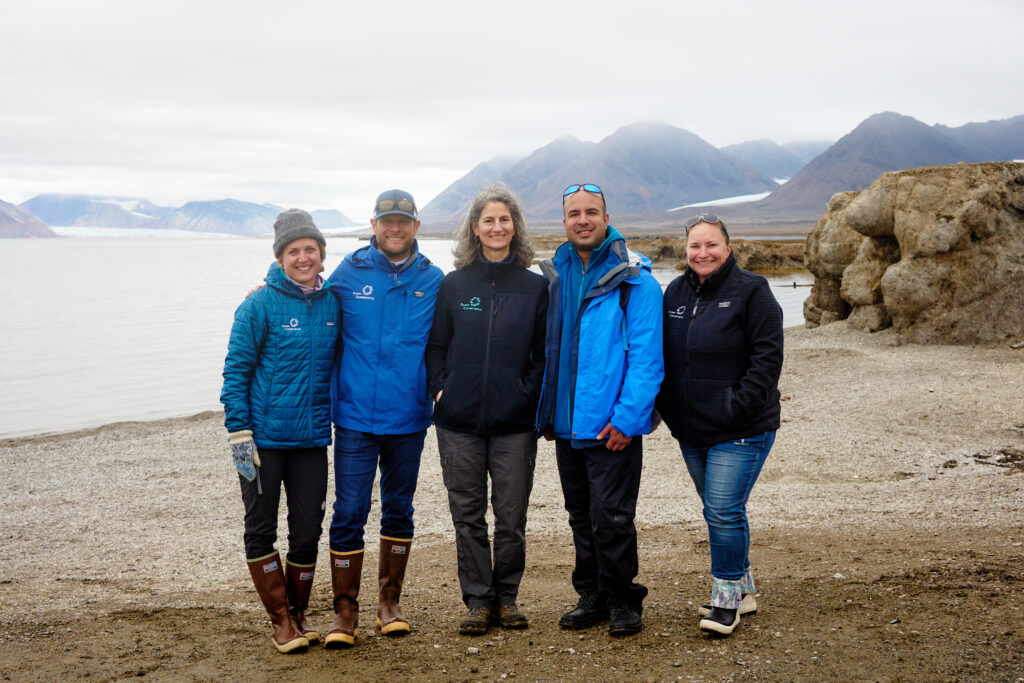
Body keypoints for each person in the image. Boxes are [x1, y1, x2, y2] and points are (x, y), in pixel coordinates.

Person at [535, 183, 664, 637]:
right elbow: (551, 350)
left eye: (592, 212)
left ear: (606, 219)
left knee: (612, 517)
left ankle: (623, 597)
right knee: (580, 515)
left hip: (611, 425)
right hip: (567, 425)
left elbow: (647, 360)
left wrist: (628, 420)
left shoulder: (636, 282)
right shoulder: (556, 277)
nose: (583, 220)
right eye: (574, 213)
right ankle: (590, 593)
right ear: (564, 221)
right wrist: (548, 413)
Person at [323, 189, 443, 649]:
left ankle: (389, 603)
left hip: (409, 417)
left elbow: (452, 339)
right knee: (349, 512)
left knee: (399, 509)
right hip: (354, 417)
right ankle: (345, 610)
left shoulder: (433, 280)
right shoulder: (348, 273)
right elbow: (309, 303)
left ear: (416, 226)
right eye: (386, 221)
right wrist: (266, 287)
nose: (394, 228)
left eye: (403, 221)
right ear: (373, 225)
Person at [425, 187, 548, 636]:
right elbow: (436, 347)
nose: (497, 228)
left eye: (505, 220)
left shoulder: (535, 287)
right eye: (488, 221)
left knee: (511, 517)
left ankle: (508, 598)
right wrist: (441, 390)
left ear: (515, 227)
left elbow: (542, 354)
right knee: (468, 516)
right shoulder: (454, 285)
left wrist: (525, 394)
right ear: (474, 229)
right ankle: (478, 600)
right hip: (457, 423)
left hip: (514, 424)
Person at [655, 213, 783, 636]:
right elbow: (662, 356)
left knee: (723, 511)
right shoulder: (674, 292)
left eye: (711, 245)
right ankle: (744, 589)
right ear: (685, 250)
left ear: (728, 248)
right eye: (695, 246)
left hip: (741, 427)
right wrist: (665, 407)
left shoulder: (753, 292)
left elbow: (767, 360)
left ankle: (726, 600)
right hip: (691, 430)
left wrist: (736, 407)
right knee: (721, 511)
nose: (703, 253)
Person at [220, 209, 340, 654]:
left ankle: (299, 611)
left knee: (308, 528)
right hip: (255, 443)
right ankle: (280, 621)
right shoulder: (257, 304)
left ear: (322, 255)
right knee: (259, 528)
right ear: (280, 257)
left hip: (311, 440)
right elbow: (235, 373)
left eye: (311, 249)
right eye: (294, 251)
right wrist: (239, 435)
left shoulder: (332, 303)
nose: (303, 257)